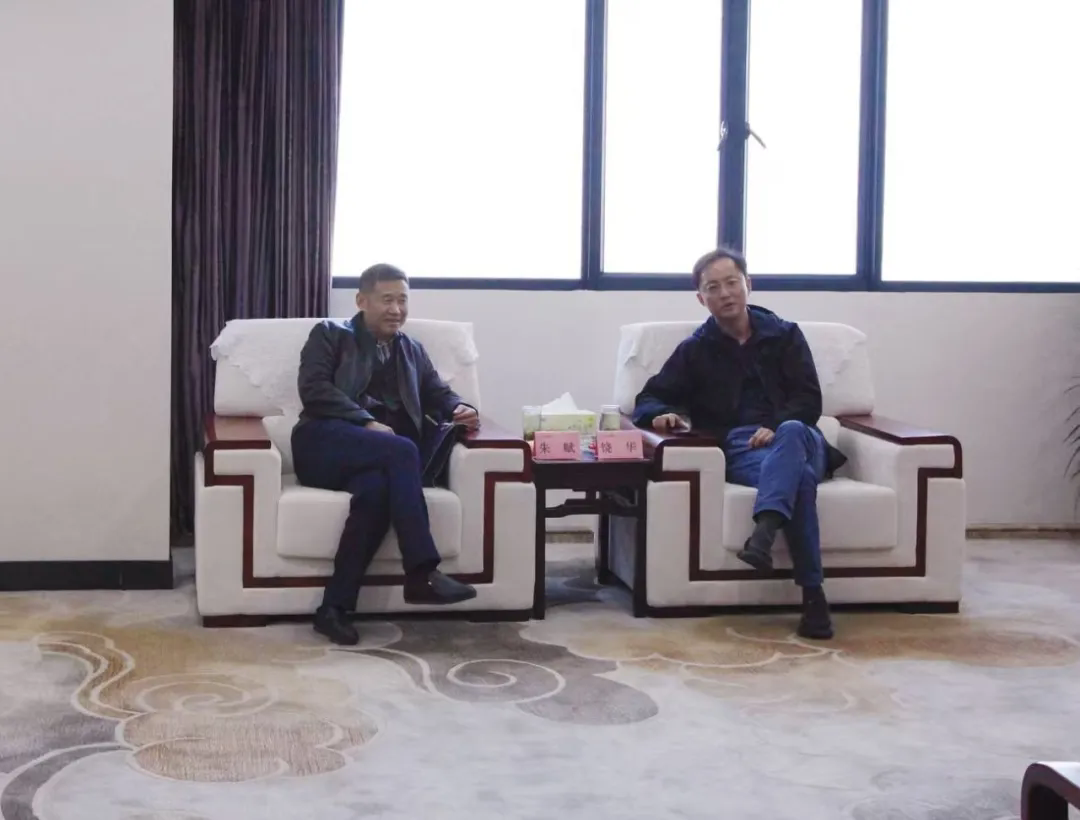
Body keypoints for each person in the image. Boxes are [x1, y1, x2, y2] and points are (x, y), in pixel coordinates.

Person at [631, 247, 846, 640]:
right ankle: (813, 595)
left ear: (748, 284)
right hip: (743, 449)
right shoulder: (696, 349)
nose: (725, 293)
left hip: (801, 439)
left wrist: (775, 426)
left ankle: (764, 532)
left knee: (793, 431)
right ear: (701, 298)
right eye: (713, 287)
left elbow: (809, 400)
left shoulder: (785, 336)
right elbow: (648, 397)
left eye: (732, 282)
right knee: (798, 480)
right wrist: (662, 414)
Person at [292, 263, 480, 645]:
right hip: (322, 444)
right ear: (362, 301)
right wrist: (364, 421)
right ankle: (421, 571)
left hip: (377, 457)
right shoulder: (329, 334)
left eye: (403, 300)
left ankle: (333, 609)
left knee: (377, 493)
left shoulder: (411, 350)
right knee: (402, 449)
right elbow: (314, 390)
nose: (397, 309)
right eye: (387, 300)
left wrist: (459, 406)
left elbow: (437, 392)